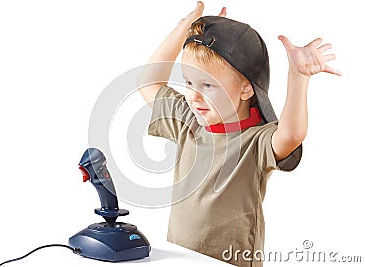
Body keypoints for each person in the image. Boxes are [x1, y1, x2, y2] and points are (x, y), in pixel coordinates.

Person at [138, 2, 341, 266]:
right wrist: (183, 29)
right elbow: (149, 82)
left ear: (246, 89)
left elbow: (291, 135)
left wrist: (298, 76)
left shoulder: (256, 141)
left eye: (208, 85)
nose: (194, 95)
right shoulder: (188, 120)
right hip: (181, 259)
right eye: (189, 82)